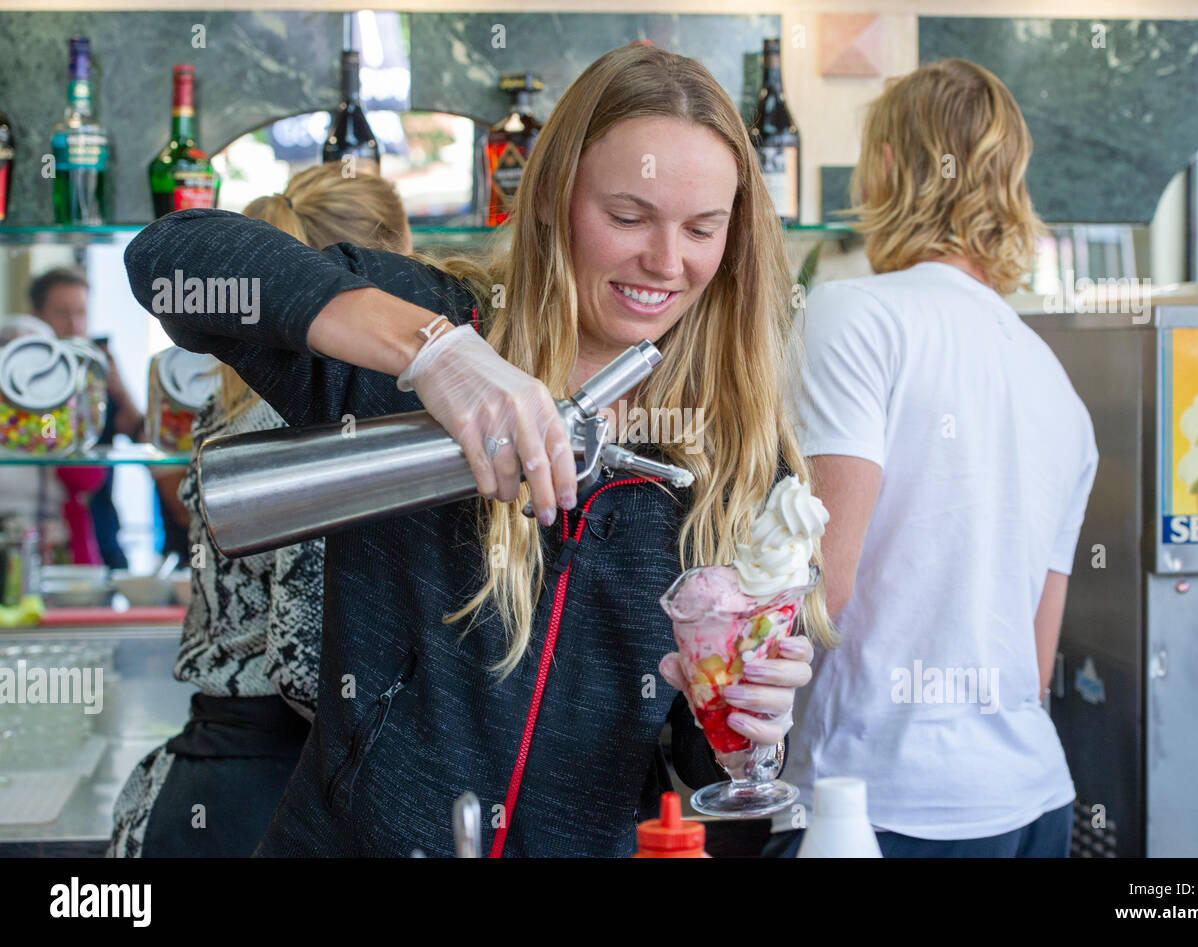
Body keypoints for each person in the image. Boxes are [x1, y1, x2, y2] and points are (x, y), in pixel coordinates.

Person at [122, 43, 832, 857]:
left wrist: (744, 732)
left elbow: (691, 765)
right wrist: (437, 353)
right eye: (628, 217)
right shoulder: (429, 328)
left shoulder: (734, 452)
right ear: (550, 200)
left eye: (703, 228)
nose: (666, 263)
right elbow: (172, 263)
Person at [768, 59, 1098, 858]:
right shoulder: (1058, 386)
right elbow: (1035, 653)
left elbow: (825, 581)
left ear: (883, 168)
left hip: (878, 805)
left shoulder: (857, 315)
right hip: (1031, 803)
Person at [109, 164, 413, 857]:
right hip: (271, 793)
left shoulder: (236, 396)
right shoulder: (317, 425)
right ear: (382, 270)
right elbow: (304, 669)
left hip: (201, 783)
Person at [27, 266, 185, 568]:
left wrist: (120, 391)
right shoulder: (20, 390)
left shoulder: (98, 381)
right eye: (62, 313)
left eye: (81, 313)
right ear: (37, 317)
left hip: (102, 542)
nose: (74, 325)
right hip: (40, 540)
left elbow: (150, 450)